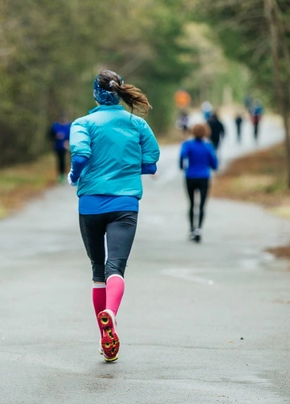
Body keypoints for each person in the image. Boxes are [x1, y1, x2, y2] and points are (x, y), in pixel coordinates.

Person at [68, 70, 160, 363]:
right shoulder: (138, 124)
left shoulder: (83, 123)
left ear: (96, 94)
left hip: (91, 205)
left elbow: (81, 156)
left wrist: (74, 175)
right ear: (119, 93)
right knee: (116, 266)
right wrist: (128, 167)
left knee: (98, 271)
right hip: (125, 204)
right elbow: (151, 164)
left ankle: (104, 339)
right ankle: (112, 314)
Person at [179, 123, 218, 243]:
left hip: (190, 176)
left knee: (191, 204)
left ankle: (191, 229)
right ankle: (199, 229)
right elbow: (214, 163)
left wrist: (182, 166)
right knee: (201, 205)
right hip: (204, 177)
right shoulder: (208, 146)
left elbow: (182, 156)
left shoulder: (188, 144)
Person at [49, 115, 71, 182]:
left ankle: (68, 174)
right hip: (58, 146)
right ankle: (61, 175)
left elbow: (71, 135)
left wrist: (68, 142)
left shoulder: (69, 126)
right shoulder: (55, 126)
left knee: (65, 160)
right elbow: (50, 136)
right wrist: (56, 137)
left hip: (66, 146)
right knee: (60, 160)